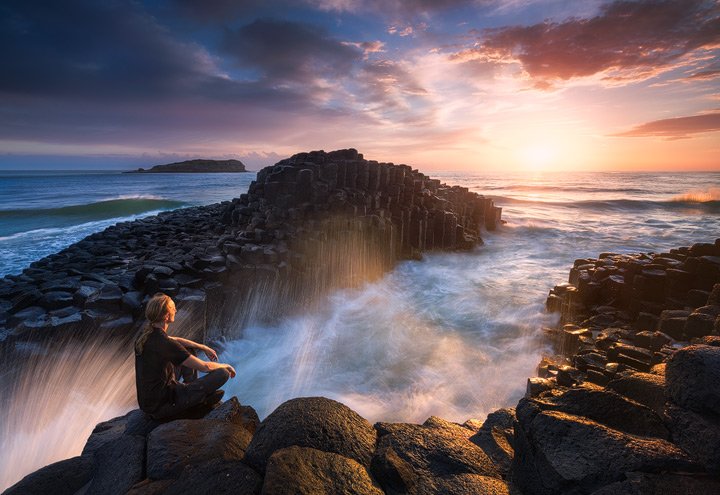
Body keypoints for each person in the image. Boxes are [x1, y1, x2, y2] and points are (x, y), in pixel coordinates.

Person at [134, 293, 236, 419]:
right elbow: (205, 367)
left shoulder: (145, 336)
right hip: (163, 407)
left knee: (187, 349)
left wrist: (202, 347)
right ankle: (193, 399)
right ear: (166, 316)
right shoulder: (165, 344)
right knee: (223, 373)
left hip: (148, 403)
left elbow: (176, 340)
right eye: (173, 308)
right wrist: (226, 365)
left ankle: (191, 391)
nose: (176, 310)